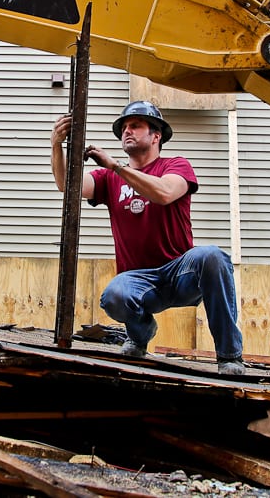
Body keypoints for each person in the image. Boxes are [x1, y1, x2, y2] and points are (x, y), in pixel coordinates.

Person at [50, 101, 245, 376]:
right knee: (115, 295)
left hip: (180, 274)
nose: (127, 131)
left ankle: (230, 356)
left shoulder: (175, 165)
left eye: (135, 125)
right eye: (124, 128)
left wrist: (116, 167)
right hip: (139, 281)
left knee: (213, 256)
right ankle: (139, 336)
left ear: (156, 136)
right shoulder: (107, 179)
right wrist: (56, 145)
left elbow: (164, 193)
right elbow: (67, 185)